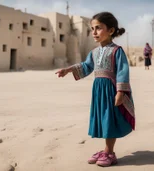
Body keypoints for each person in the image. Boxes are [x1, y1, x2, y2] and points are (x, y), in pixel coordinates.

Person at [55, 12, 135, 167]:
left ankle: (109, 153)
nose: (94, 32)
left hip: (111, 91)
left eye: (98, 28)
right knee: (103, 120)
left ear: (110, 31)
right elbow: (86, 66)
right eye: (92, 29)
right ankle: (106, 150)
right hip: (99, 92)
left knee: (110, 120)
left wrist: (120, 92)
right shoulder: (94, 52)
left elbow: (122, 71)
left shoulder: (117, 51)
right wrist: (69, 69)